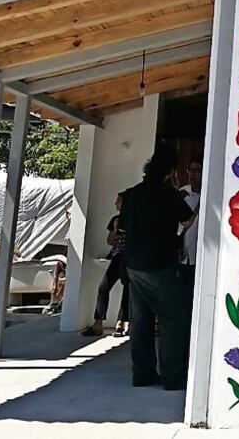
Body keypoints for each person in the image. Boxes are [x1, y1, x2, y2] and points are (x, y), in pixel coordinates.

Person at [120, 146, 195, 390]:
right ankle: (173, 377)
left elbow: (121, 225)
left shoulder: (132, 194)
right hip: (159, 265)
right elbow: (187, 220)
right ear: (170, 172)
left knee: (140, 322)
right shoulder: (169, 195)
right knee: (173, 319)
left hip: (133, 265)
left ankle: (142, 374)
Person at [80, 192, 130, 338]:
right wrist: (115, 230)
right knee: (104, 287)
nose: (116, 203)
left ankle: (121, 322)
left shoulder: (133, 219)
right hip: (117, 256)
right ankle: (98, 322)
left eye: (118, 201)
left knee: (127, 288)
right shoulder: (115, 219)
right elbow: (109, 241)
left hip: (129, 257)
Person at [177, 161, 202, 331]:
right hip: (182, 253)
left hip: (200, 254)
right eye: (190, 170)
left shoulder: (210, 192)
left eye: (197, 171)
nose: (193, 175)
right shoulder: (182, 194)